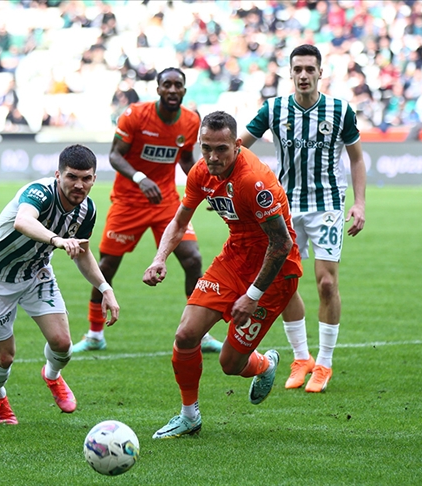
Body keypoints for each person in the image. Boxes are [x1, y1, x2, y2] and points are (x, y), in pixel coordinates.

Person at [144, 111, 302, 439]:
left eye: (221, 149)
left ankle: (265, 364)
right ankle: (189, 416)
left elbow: (282, 243)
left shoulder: (253, 181)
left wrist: (252, 296)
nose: (213, 157)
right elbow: (180, 221)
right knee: (186, 335)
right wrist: (159, 258)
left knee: (230, 364)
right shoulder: (201, 172)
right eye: (206, 148)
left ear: (237, 145)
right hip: (234, 258)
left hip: (275, 272)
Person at [241, 44, 366, 393]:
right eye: (298, 69)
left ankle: (324, 363)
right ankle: (301, 358)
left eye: (310, 69)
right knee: (284, 282)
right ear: (290, 73)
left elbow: (356, 158)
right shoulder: (274, 109)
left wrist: (359, 203)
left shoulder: (340, 111)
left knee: (326, 284)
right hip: (283, 207)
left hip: (327, 205)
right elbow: (238, 147)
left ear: (320, 73)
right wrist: (225, 186)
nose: (304, 75)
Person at [71, 68, 223, 354]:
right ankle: (94, 334)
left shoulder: (191, 121)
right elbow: (115, 155)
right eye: (167, 85)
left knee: (193, 259)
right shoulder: (135, 115)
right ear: (158, 89)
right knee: (106, 266)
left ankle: (200, 334)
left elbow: (186, 160)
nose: (173, 90)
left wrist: (210, 187)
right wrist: (140, 178)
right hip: (129, 201)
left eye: (178, 85)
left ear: (184, 90)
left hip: (166, 202)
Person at [0, 144, 119, 424]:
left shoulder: (87, 210)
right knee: (4, 357)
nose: (79, 185)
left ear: (94, 179)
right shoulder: (39, 192)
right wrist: (57, 240)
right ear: (58, 175)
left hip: (35, 273)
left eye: (86, 178)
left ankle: (52, 376)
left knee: (63, 344)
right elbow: (23, 221)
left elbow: (83, 252)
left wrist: (105, 289)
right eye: (72, 177)